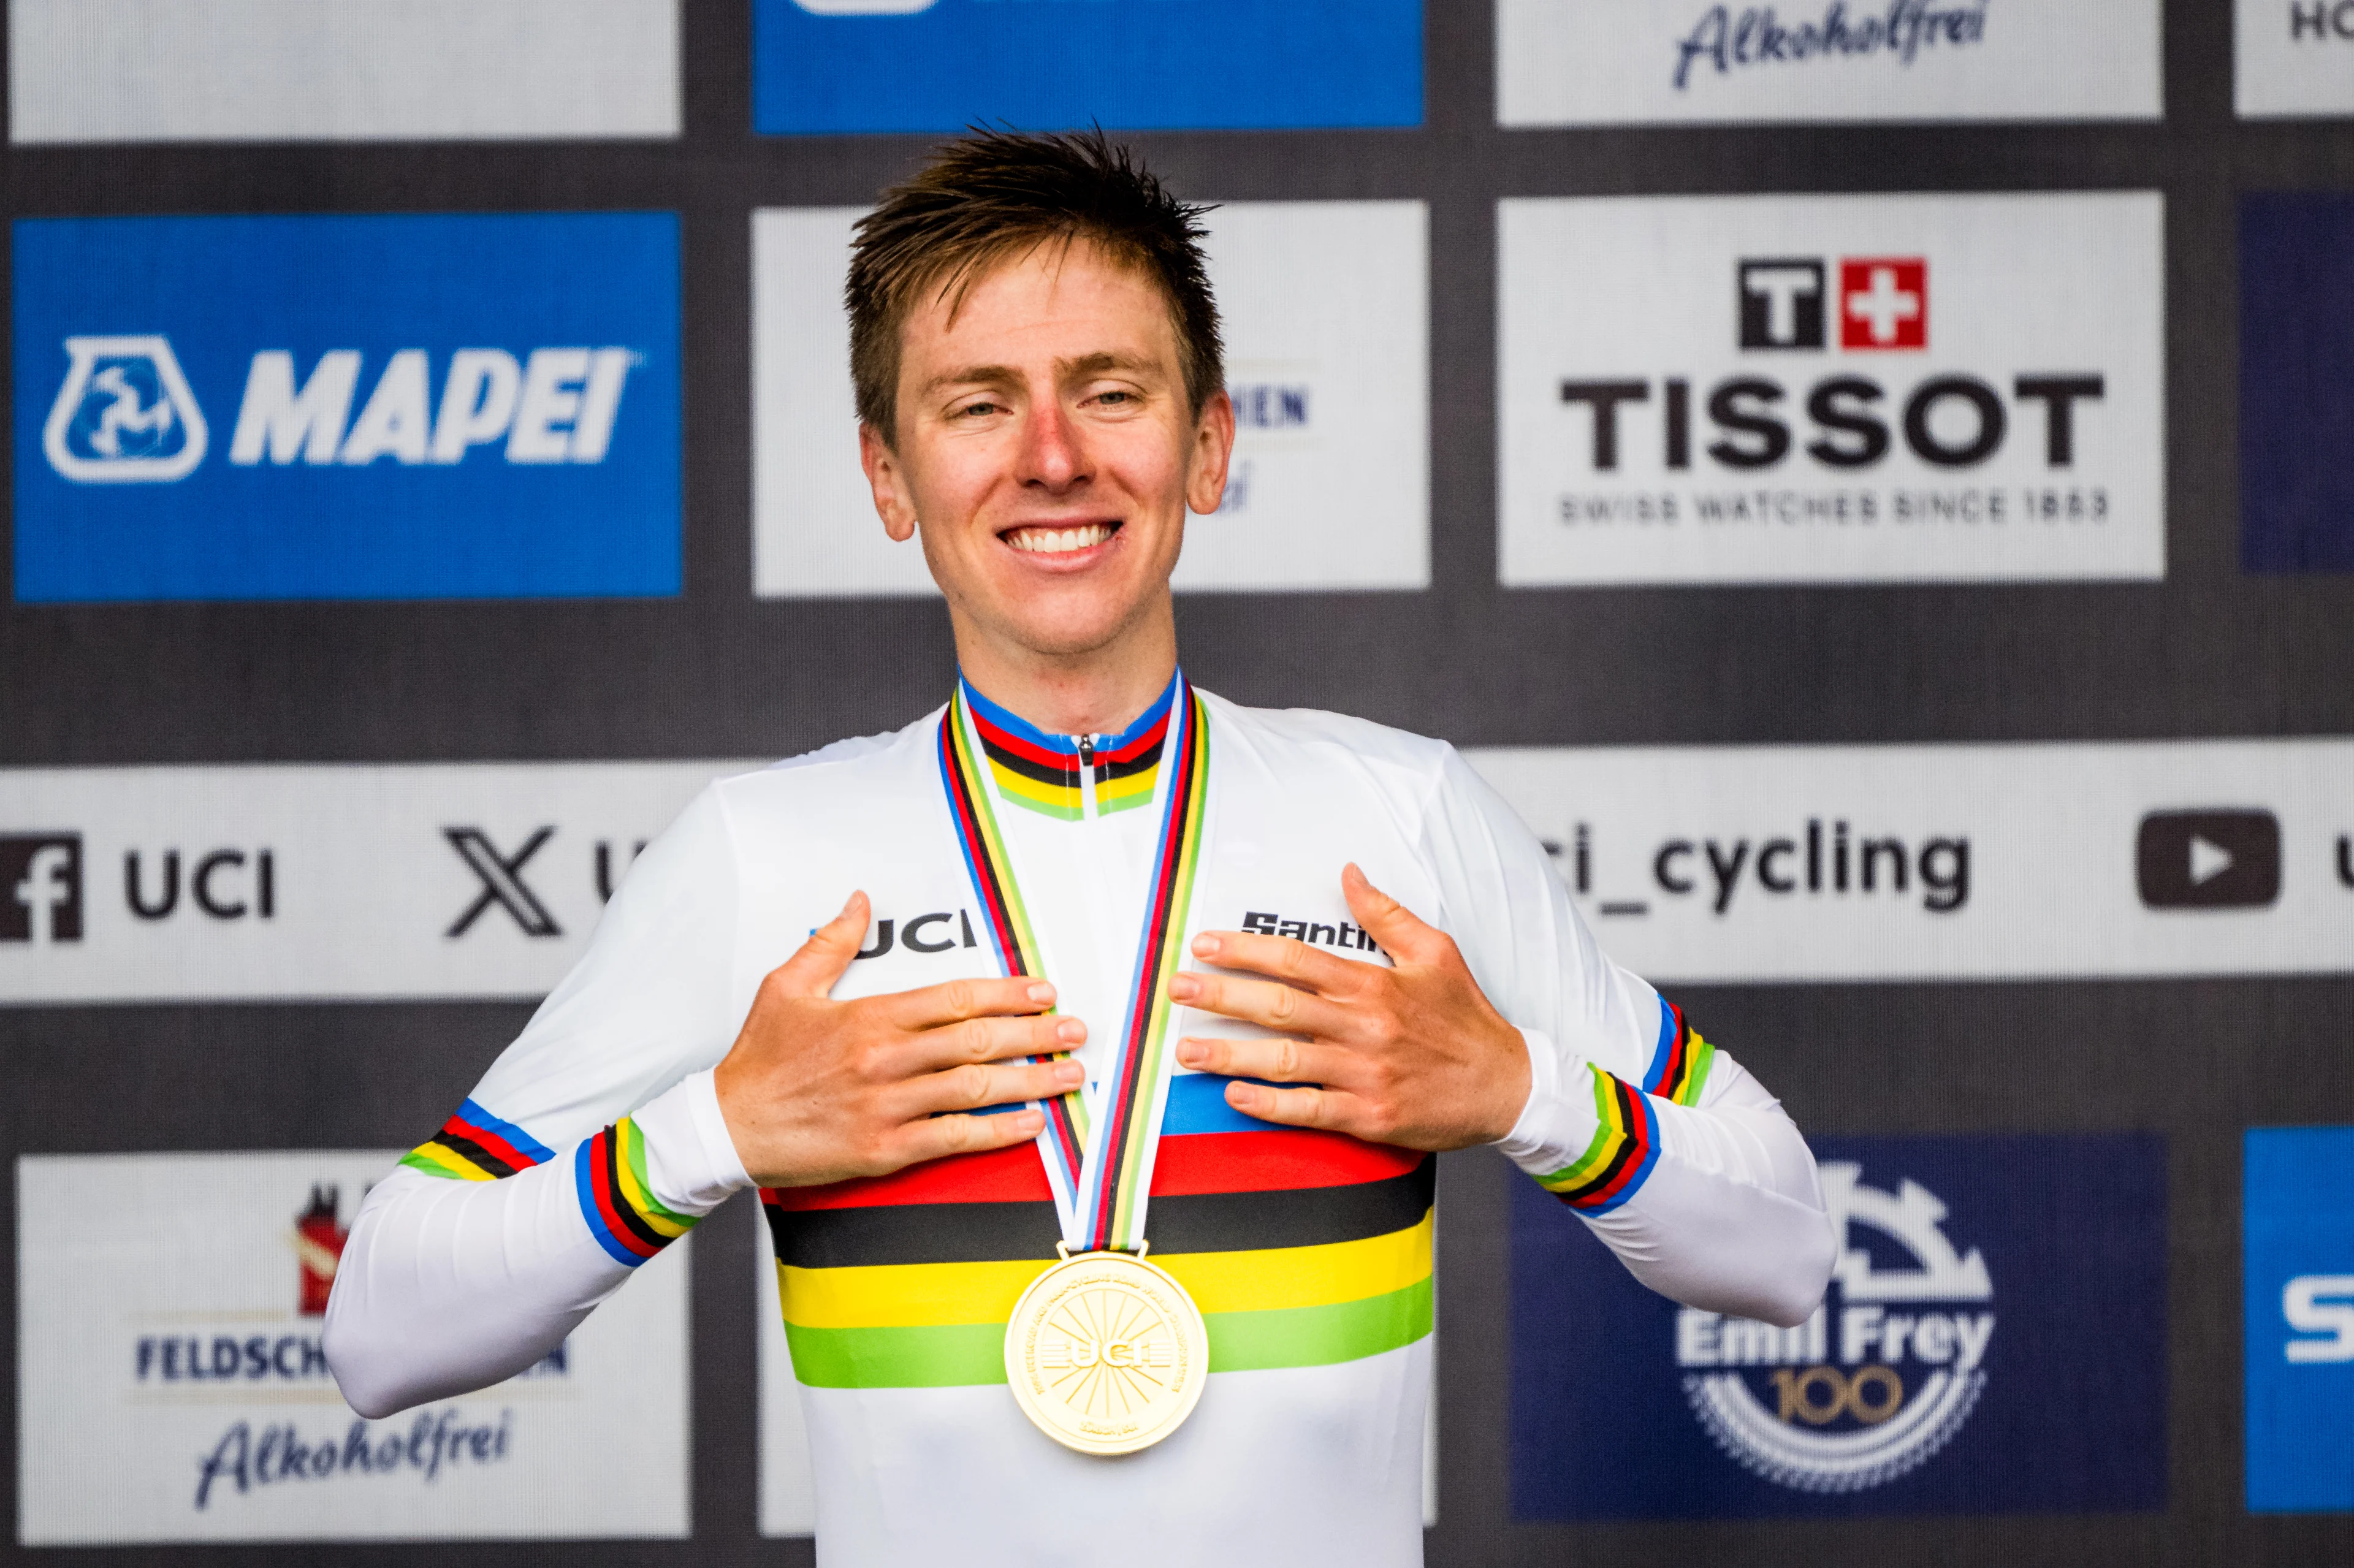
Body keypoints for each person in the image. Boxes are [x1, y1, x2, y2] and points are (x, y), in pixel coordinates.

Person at [323, 128, 1834, 1566]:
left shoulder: (1403, 813)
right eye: (977, 403)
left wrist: (1517, 1088)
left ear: (1209, 442)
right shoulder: (762, 854)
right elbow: (381, 1328)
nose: (1051, 457)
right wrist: (713, 1134)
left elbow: (1783, 1243)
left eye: (1109, 391)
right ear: (887, 477)